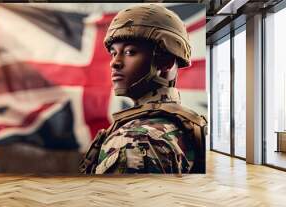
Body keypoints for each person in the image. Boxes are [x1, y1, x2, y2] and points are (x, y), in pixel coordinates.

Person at [79, 4, 207, 174]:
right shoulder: (186, 123)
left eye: (130, 52)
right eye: (113, 53)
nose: (114, 62)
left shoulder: (134, 140)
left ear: (166, 62)